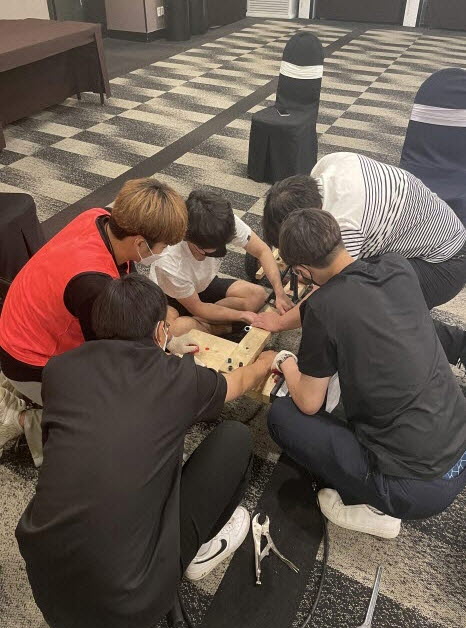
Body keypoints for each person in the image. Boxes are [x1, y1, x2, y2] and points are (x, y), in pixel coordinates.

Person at [16, 274, 277, 628]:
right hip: (132, 605)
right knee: (235, 438)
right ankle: (198, 553)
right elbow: (236, 383)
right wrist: (265, 362)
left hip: (48, 591)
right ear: (159, 332)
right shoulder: (179, 378)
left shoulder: (60, 369)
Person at [267, 209, 466, 538]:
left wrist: (285, 360)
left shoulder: (322, 307)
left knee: (282, 416)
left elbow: (309, 402)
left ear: (302, 271)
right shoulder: (397, 267)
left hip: (417, 489)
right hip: (459, 437)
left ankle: (376, 509)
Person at [0, 178, 187, 456]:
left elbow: (129, 282)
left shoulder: (100, 217)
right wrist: (161, 358)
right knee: (123, 407)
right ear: (140, 243)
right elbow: (109, 357)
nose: (164, 252)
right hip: (29, 362)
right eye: (163, 246)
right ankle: (33, 421)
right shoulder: (94, 286)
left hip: (20, 329)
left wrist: (165, 337)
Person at [259, 152, 466, 368]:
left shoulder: (345, 224)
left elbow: (329, 295)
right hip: (433, 234)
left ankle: (460, 346)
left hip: (444, 264)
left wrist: (280, 322)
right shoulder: (328, 167)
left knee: (367, 309)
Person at [150, 189, 293, 337]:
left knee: (258, 295)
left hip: (203, 284)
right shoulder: (169, 261)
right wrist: (242, 316)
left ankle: (206, 325)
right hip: (170, 297)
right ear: (188, 238)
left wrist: (279, 292)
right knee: (175, 330)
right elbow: (198, 308)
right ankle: (219, 327)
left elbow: (262, 251)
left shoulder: (221, 221)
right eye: (208, 251)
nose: (217, 252)